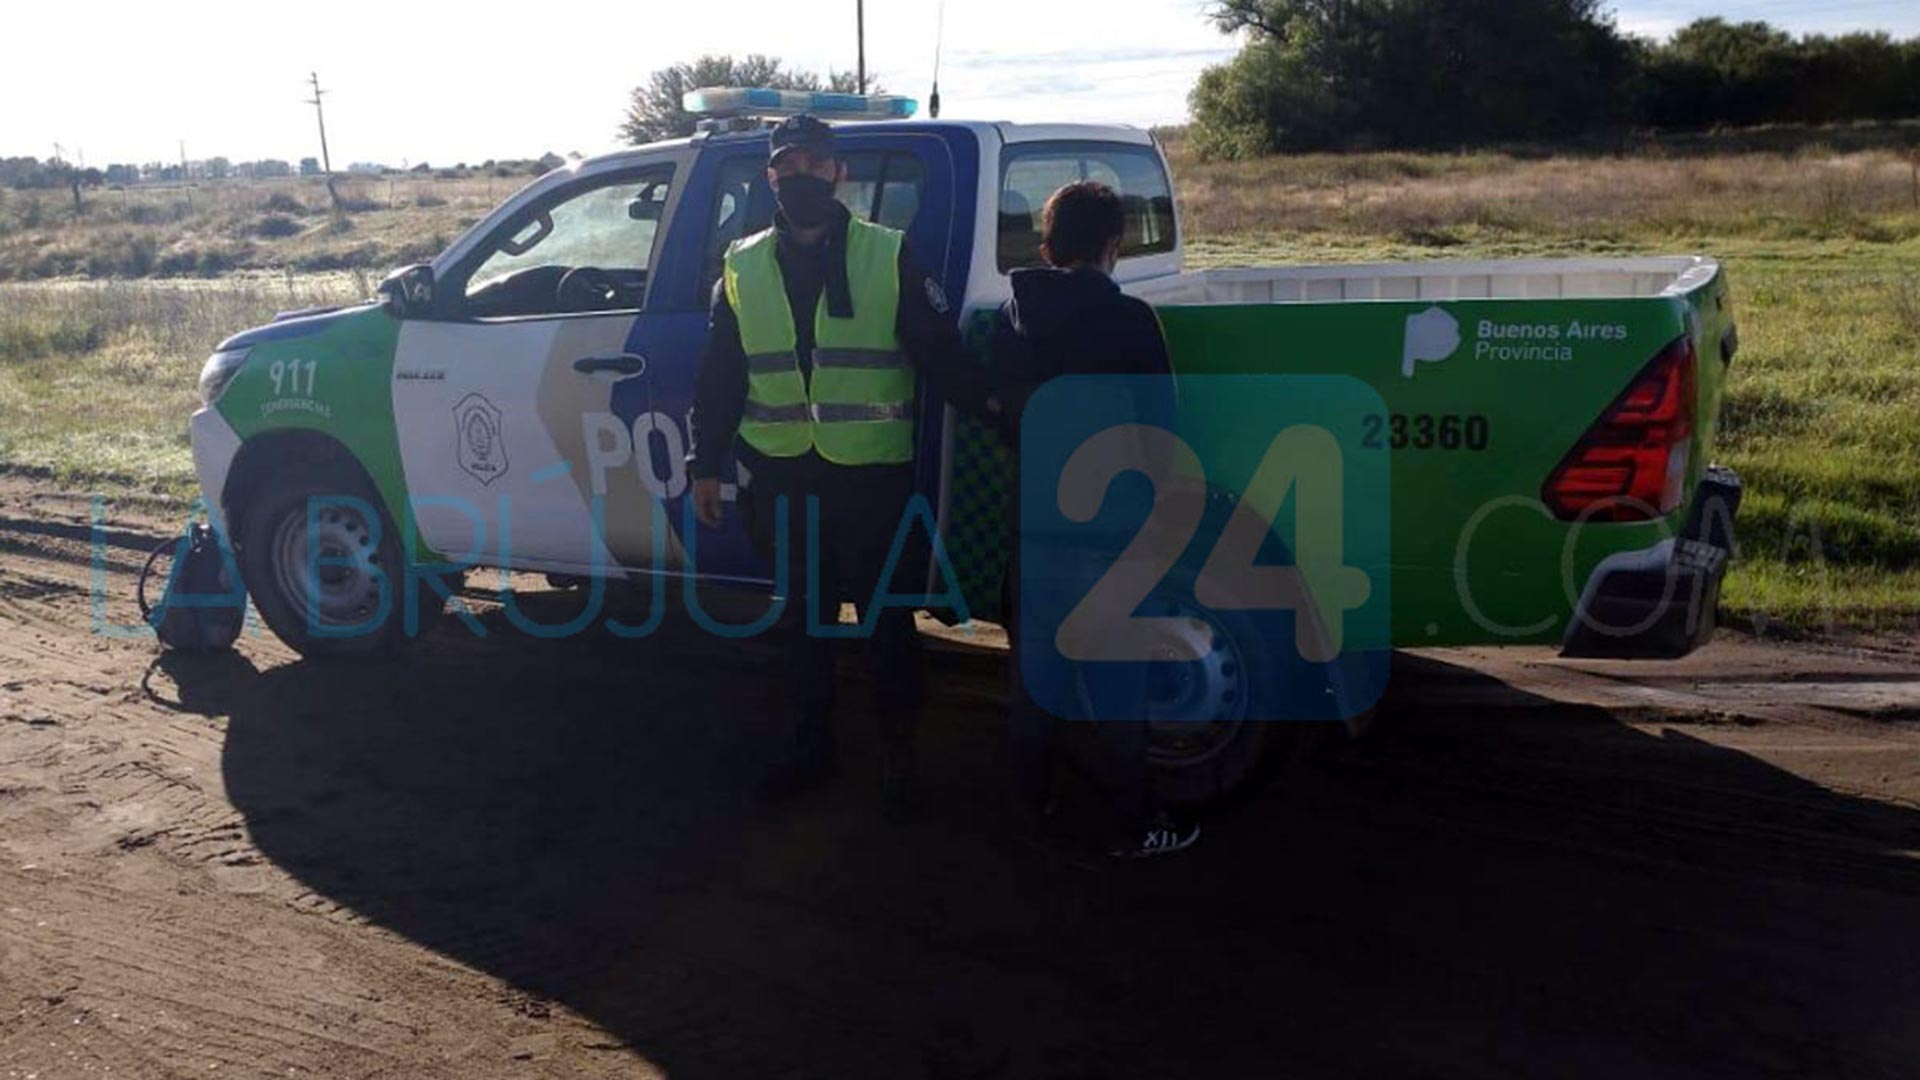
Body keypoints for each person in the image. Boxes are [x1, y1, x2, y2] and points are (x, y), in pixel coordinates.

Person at [688, 115, 991, 815]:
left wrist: (1001, 411)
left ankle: (899, 759)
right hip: (784, 477)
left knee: (886, 623)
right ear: (771, 178)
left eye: (814, 165)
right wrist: (706, 462)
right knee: (803, 624)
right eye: (788, 165)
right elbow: (721, 376)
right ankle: (809, 747)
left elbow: (939, 355)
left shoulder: (889, 254)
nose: (801, 176)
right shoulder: (741, 265)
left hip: (869, 481)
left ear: (837, 174)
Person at [989, 180, 1200, 858]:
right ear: (1114, 247)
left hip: (1034, 531)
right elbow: (1158, 436)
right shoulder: (1133, 322)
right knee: (1117, 687)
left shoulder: (1009, 321)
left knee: (1035, 687)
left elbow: (1004, 423)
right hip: (1112, 535)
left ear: (1047, 248)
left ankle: (1029, 811)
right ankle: (1135, 824)